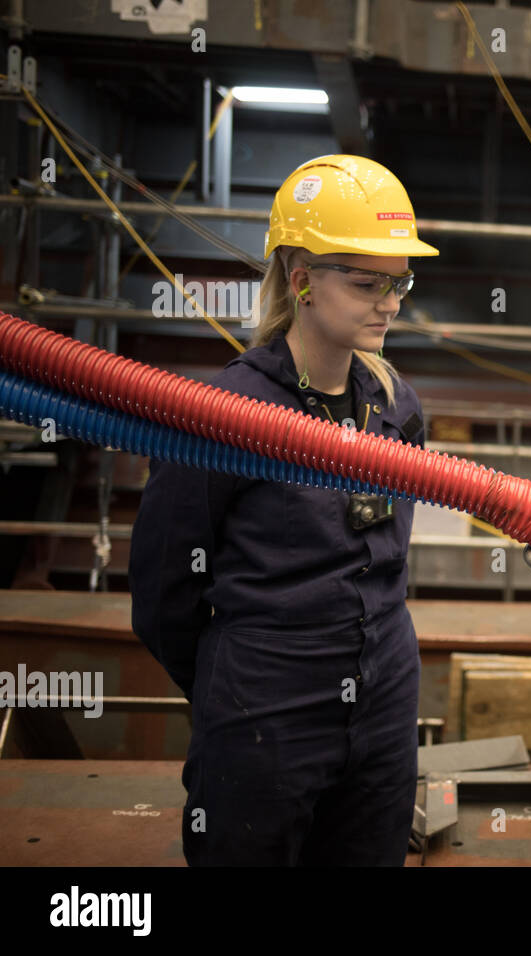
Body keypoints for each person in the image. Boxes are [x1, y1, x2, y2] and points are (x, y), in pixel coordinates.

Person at [129, 154, 437, 865]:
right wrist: (236, 686)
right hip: (264, 706)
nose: (390, 301)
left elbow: (388, 563)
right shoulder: (224, 416)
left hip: (386, 694)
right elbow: (163, 594)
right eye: (367, 282)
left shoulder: (395, 406)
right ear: (300, 279)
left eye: (401, 281)